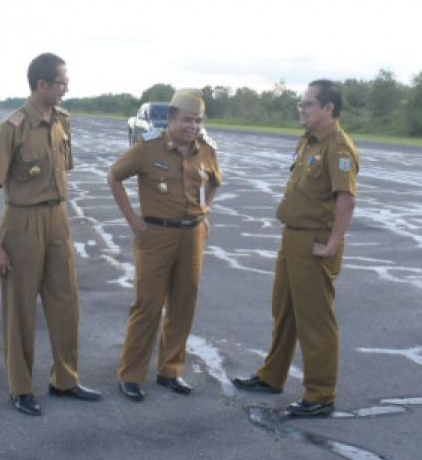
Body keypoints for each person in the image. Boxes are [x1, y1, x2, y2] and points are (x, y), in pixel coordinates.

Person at [0, 53, 101, 416]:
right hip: (23, 221)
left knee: (66, 303)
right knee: (20, 309)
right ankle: (21, 387)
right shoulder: (12, 128)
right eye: (61, 82)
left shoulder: (63, 121)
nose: (67, 88)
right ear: (41, 85)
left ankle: (65, 379)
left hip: (57, 218)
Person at [232, 80, 358, 418]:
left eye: (308, 104)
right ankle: (272, 376)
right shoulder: (308, 142)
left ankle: (320, 394)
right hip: (293, 237)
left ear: (329, 108)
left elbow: (346, 200)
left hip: (315, 239)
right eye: (301, 104)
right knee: (284, 310)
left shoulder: (338, 147)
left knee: (315, 320)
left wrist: (331, 244)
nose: (302, 109)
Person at [107, 89, 222, 401]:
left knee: (184, 303)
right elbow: (115, 177)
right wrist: (133, 220)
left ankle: (171, 370)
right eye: (187, 120)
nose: (193, 126)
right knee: (148, 305)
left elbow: (214, 182)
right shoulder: (148, 149)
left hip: (192, 235)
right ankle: (130, 374)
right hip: (156, 235)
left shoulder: (206, 151)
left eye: (198, 121)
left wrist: (205, 211)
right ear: (172, 119)